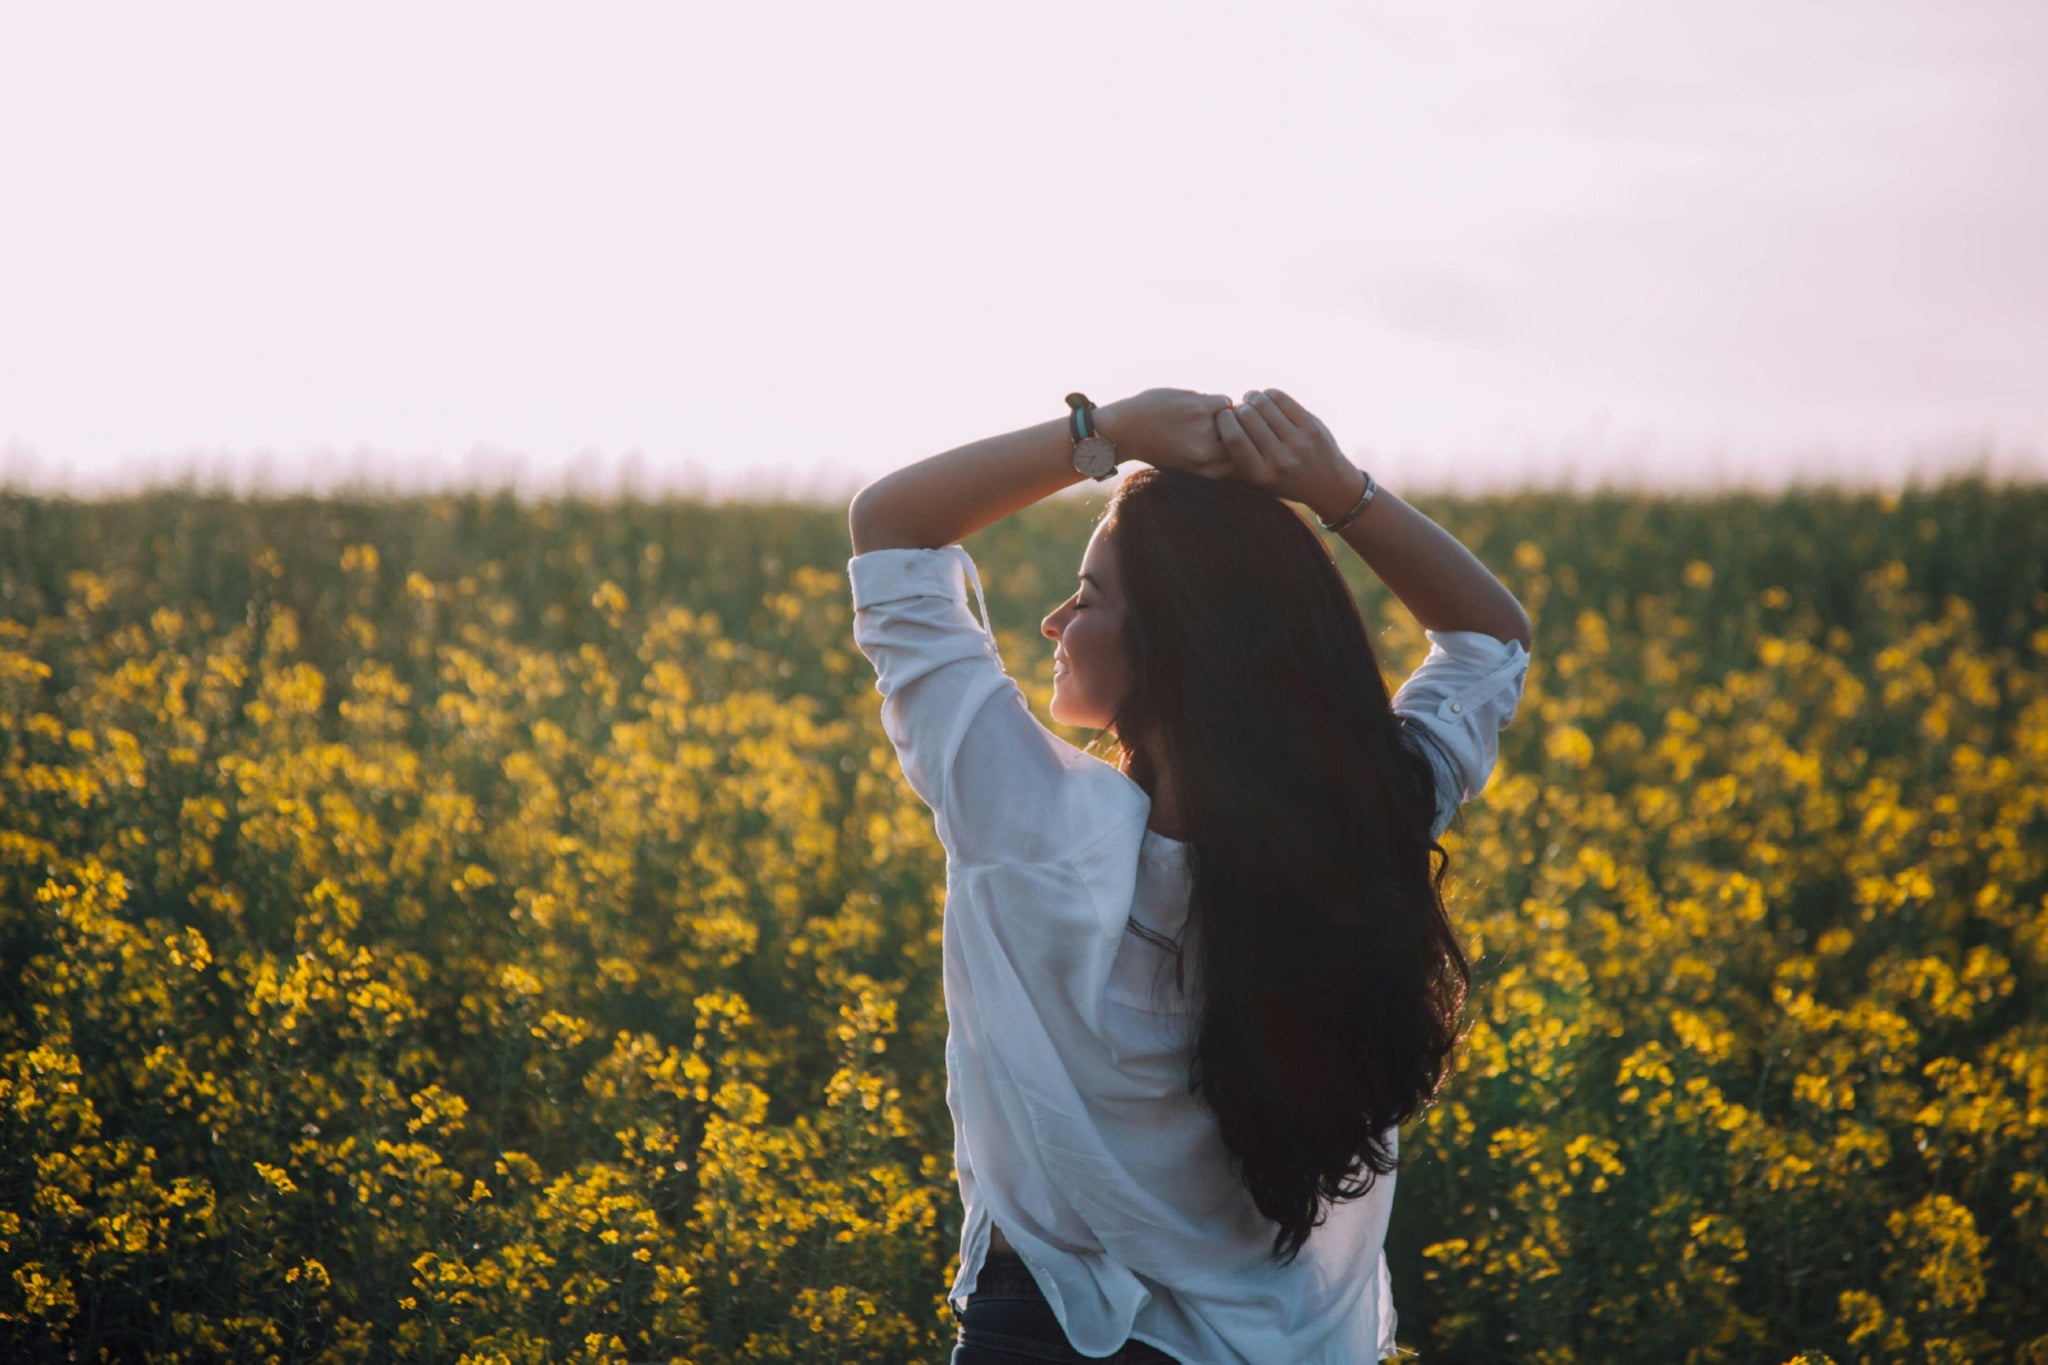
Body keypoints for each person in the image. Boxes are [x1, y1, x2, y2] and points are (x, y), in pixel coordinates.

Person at [846, 388, 1533, 1364]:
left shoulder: (1029, 825)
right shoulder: (1367, 821)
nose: (1052, 620)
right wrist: (1335, 491)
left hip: (1053, 1334)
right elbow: (1490, 637)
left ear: (1170, 645)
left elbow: (891, 527)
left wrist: (1107, 432)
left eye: (1087, 597)